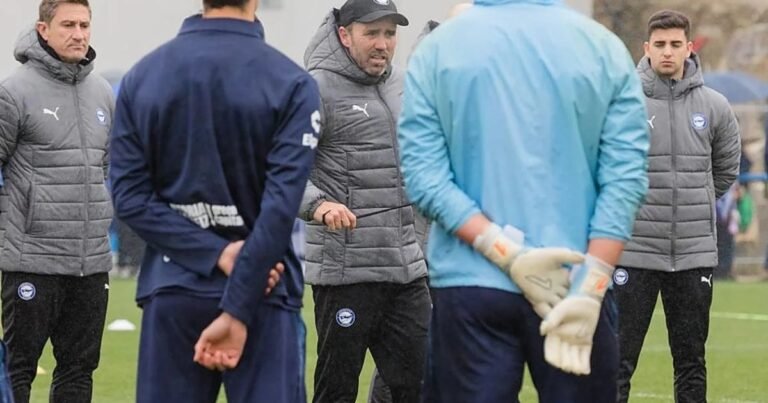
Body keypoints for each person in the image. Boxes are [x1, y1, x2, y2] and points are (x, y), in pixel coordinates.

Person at [398, 0, 650, 401]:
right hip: (575, 280)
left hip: (474, 282)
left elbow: (425, 176)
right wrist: (593, 285)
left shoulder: (440, 47)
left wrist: (507, 252)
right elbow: (625, 179)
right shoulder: (602, 47)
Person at [109, 0, 320, 401]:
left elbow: (129, 198)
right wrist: (236, 300)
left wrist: (216, 253)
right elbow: (280, 210)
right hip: (262, 293)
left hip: (175, 288)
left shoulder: (143, 76)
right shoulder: (291, 82)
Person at [299, 0, 430, 401]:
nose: (382, 44)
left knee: (428, 384)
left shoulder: (403, 85)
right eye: (371, 33)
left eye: (390, 34)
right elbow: (281, 170)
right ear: (344, 34)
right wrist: (320, 206)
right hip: (346, 275)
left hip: (407, 270)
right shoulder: (313, 89)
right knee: (337, 391)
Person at [615, 10, 741, 403]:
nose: (667, 52)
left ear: (688, 48)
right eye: (660, 45)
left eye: (675, 45)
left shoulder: (716, 105)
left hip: (692, 256)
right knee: (617, 362)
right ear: (646, 48)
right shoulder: (622, 102)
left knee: (690, 363)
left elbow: (725, 171)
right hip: (633, 253)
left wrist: (695, 201)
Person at [0, 1, 114, 401]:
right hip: (32, 260)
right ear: (43, 30)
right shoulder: (13, 92)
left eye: (84, 24)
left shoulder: (103, 93)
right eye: (68, 24)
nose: (78, 33)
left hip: (90, 262)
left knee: (79, 371)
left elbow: (107, 169)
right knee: (18, 370)